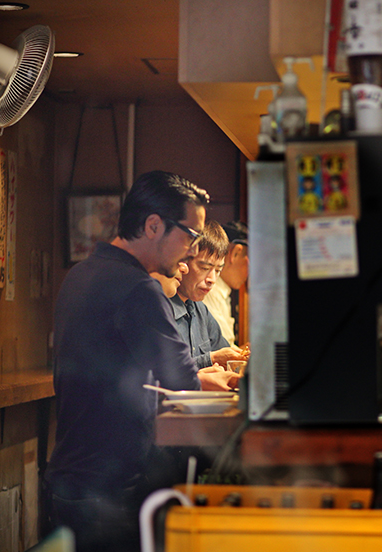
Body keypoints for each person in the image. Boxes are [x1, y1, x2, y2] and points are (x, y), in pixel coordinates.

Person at [44, 171, 239, 552]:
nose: (191, 249)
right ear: (153, 226)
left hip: (71, 475)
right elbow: (182, 378)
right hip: (111, 486)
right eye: (191, 235)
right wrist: (210, 381)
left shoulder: (81, 274)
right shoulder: (138, 288)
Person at [170, 220, 250, 368]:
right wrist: (211, 359)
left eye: (218, 270)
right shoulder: (160, 308)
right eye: (205, 267)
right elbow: (164, 371)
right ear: (183, 261)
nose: (212, 279)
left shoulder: (200, 310)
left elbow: (228, 357)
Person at [203, 220, 248, 346]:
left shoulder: (221, 292)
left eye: (217, 269)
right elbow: (222, 351)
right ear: (235, 253)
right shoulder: (208, 290)